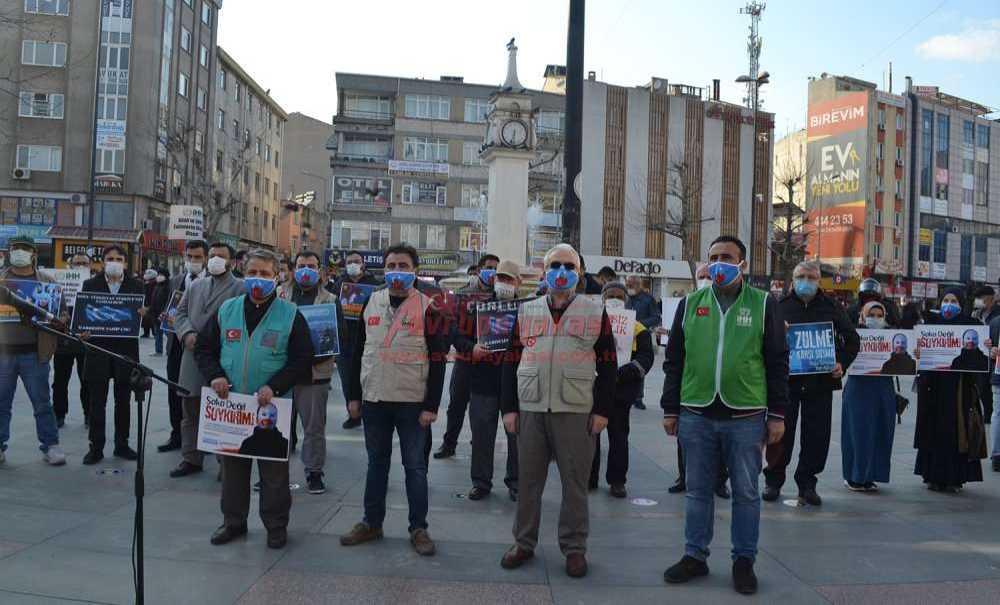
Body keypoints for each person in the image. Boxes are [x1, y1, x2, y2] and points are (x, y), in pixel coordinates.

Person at [660, 235, 788, 596]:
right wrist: (671, 409)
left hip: (745, 415)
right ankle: (694, 555)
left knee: (746, 492)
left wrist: (777, 415)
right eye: (713, 257)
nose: (718, 263)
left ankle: (743, 560)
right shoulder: (690, 304)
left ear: (742, 264)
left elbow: (778, 362)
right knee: (698, 490)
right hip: (696, 412)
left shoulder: (764, 304)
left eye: (727, 257)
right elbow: (674, 362)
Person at [499, 243, 616, 579]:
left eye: (569, 266)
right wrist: (509, 409)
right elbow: (510, 361)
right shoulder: (527, 310)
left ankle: (574, 548)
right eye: (555, 265)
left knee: (575, 484)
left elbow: (609, 365)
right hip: (532, 408)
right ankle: (523, 543)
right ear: (544, 271)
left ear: (579, 274)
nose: (561, 272)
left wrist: (602, 412)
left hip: (576, 409)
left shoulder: (595, 312)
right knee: (528, 482)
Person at [195, 248, 312, 550]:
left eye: (264, 274)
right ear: (243, 273)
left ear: (277, 277)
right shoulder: (227, 309)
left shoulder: (290, 314)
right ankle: (233, 522)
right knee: (233, 471)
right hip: (232, 405)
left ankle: (275, 526)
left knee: (274, 474)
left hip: (270, 409)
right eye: (252, 273)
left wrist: (274, 385)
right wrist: (215, 376)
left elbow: (302, 359)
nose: (257, 279)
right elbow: (204, 349)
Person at [340, 243, 449, 557]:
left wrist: (431, 406)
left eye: (403, 265)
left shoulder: (430, 307)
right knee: (376, 465)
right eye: (391, 265)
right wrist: (353, 397)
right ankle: (371, 523)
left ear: (414, 270)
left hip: (412, 402)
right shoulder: (370, 301)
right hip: (374, 399)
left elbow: (439, 359)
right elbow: (357, 352)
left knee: (415, 468)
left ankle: (419, 528)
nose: (396, 272)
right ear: (383, 269)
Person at [763, 261, 860, 506]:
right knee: (780, 433)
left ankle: (807, 483)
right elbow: (762, 341)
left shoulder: (832, 307)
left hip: (820, 383)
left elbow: (852, 340)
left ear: (819, 281)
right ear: (793, 279)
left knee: (817, 436)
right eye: (801, 276)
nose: (806, 281)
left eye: (811, 277)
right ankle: (773, 481)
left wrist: (841, 363)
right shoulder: (777, 307)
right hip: (786, 384)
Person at [170, 242, 244, 478]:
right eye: (212, 256)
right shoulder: (196, 285)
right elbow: (179, 314)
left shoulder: (240, 287)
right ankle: (191, 458)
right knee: (190, 412)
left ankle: (226, 464)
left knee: (223, 413)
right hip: (192, 358)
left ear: (231, 262)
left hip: (222, 360)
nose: (214, 260)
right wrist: (187, 333)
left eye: (220, 257)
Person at [454, 259, 521, 501]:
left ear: (518, 283)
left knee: (517, 437)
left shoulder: (529, 309)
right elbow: (458, 336)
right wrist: (472, 349)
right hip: (483, 380)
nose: (503, 283)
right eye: (500, 278)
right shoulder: (478, 308)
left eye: (509, 279)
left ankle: (516, 482)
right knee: (481, 435)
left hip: (516, 384)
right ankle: (481, 482)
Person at [0, 235, 66, 466]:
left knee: (41, 402)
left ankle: (50, 445)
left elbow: (62, 315)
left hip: (34, 354)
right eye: (15, 248)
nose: (19, 252)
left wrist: (59, 319)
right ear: (9, 252)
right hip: (3, 354)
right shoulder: (1, 281)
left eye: (24, 249)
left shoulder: (47, 283)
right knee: (1, 401)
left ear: (33, 254)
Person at [914, 287, 988, 492]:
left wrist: (988, 347)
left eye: (954, 301)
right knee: (933, 430)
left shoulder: (972, 325)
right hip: (934, 387)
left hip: (959, 390)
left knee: (957, 432)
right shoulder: (931, 324)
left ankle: (954, 477)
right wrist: (917, 352)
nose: (949, 304)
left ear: (962, 304)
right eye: (946, 300)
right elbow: (920, 355)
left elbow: (980, 359)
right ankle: (933, 476)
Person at [277, 250, 337, 495]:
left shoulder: (330, 299)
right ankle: (274, 473)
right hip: (281, 371)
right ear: (293, 269)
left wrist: (316, 355)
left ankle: (314, 473)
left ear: (320, 271)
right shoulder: (279, 294)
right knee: (277, 427)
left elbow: (337, 337)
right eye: (301, 266)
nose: (306, 270)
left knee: (313, 428)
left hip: (315, 373)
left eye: (311, 266)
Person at [669, 263, 731, 499]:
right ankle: (683, 476)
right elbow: (676, 348)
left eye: (709, 275)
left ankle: (719, 480)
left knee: (722, 440)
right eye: (702, 276)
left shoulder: (727, 307)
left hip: (724, 390)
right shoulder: (688, 304)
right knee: (686, 439)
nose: (706, 279)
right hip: (692, 387)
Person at [589, 280, 654, 498]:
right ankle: (589, 478)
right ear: (602, 298)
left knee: (618, 437)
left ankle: (617, 481)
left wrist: (624, 372)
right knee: (591, 435)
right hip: (595, 389)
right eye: (610, 296)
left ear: (625, 300)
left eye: (619, 296)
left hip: (621, 391)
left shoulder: (638, 328)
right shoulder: (591, 323)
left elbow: (646, 357)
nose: (614, 300)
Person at [81, 244, 144, 465]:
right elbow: (83, 316)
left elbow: (147, 319)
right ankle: (95, 447)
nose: (114, 262)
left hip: (125, 352)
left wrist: (144, 315)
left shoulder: (137, 286)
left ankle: (122, 444)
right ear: (103, 261)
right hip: (98, 350)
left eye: (119, 258)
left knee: (123, 400)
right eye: (110, 258)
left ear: (126, 263)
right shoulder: (90, 284)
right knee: (97, 401)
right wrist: (84, 331)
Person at [434, 253, 500, 460]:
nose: (493, 273)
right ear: (479, 270)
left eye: (496, 269)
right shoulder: (462, 296)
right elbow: (453, 330)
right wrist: (470, 348)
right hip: (465, 360)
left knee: (485, 410)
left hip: (490, 364)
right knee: (456, 406)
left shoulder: (501, 297)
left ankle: (479, 443)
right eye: (489, 267)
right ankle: (449, 444)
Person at [841, 301, 899, 491]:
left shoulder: (892, 335)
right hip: (859, 388)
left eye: (879, 315)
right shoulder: (852, 335)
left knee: (880, 432)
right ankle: (854, 476)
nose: (875, 318)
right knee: (857, 433)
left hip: (883, 388)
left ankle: (871, 475)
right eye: (870, 314)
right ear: (862, 316)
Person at [157, 240, 207, 452]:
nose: (193, 261)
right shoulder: (175, 280)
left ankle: (203, 438)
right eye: (190, 257)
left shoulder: (212, 282)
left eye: (198, 257)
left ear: (205, 259)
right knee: (174, 391)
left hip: (202, 347)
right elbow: (166, 309)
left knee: (201, 393)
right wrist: (162, 317)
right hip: (175, 345)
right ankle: (176, 434)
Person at [331, 250, 381, 429]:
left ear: (363, 264)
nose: (353, 264)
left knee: (368, 379)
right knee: (346, 380)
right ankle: (352, 413)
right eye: (350, 261)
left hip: (368, 340)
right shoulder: (338, 285)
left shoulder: (375, 285)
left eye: (356, 261)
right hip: (344, 340)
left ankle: (367, 414)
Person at [52, 252, 93, 428]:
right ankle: (59, 414)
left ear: (90, 266)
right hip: (63, 340)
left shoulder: (93, 285)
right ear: (69, 265)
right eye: (77, 263)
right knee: (60, 381)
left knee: (87, 380)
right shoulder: (60, 284)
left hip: (86, 341)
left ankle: (88, 414)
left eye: (84, 263)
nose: (80, 265)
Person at [625, 275, 660, 411]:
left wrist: (639, 325)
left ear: (640, 285)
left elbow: (656, 317)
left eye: (632, 284)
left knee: (639, 366)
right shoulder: (624, 296)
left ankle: (638, 398)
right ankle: (625, 394)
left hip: (641, 338)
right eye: (628, 284)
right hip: (624, 338)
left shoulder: (648, 299)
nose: (629, 287)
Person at [972, 286, 999, 424]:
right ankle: (987, 414)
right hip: (981, 357)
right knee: (981, 387)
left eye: (982, 298)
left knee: (989, 388)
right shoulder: (977, 314)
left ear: (990, 298)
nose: (980, 301)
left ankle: (990, 414)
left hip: (994, 357)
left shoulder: (997, 314)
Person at [149, 267, 170, 356]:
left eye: (161, 275)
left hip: (164, 314)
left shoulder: (168, 286)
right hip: (155, 313)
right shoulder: (157, 285)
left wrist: (165, 311)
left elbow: (168, 300)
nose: (159, 276)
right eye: (158, 274)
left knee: (168, 333)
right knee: (158, 333)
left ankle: (170, 350)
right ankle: (158, 350)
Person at [141, 268, 158, 338]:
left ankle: (154, 332)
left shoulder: (155, 284)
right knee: (145, 319)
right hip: (146, 302)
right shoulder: (146, 283)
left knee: (152, 318)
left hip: (152, 303)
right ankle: (146, 332)